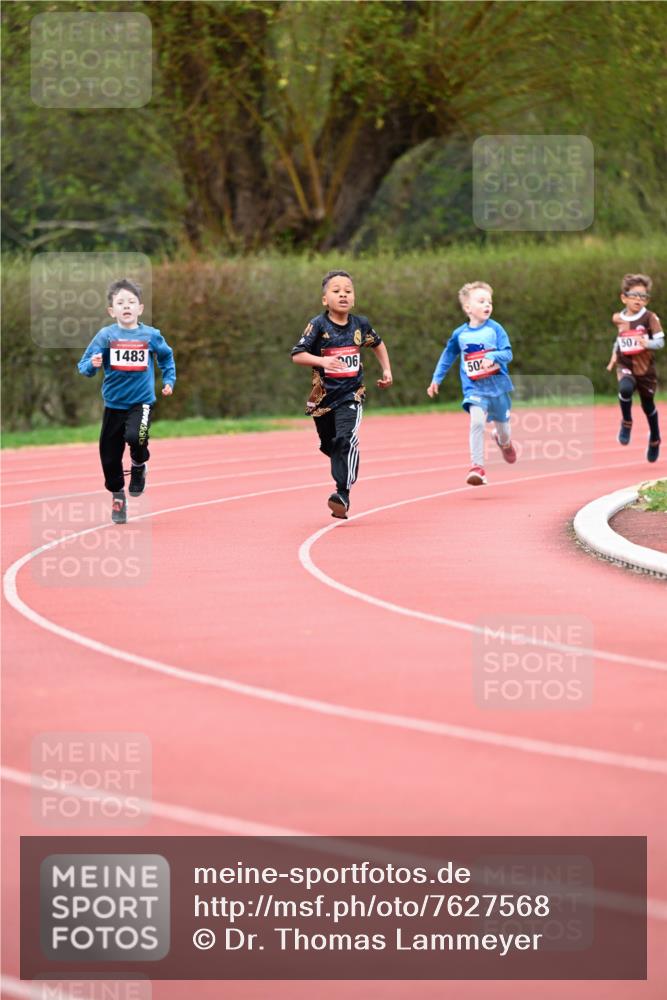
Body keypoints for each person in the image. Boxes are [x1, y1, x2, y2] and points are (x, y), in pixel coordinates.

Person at [290, 269, 393, 518]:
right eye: (336, 291)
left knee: (344, 440)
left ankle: (342, 494)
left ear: (354, 298)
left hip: (351, 395)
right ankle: (344, 459)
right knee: (330, 445)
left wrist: (387, 369)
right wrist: (322, 361)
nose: (343, 295)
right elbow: (297, 355)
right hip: (323, 400)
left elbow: (377, 344)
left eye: (348, 291)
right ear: (325, 299)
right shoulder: (318, 325)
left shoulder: (360, 324)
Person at [77, 278, 176, 523]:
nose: (126, 306)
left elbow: (166, 357)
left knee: (136, 437)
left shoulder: (151, 335)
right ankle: (118, 498)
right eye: (120, 303)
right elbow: (84, 366)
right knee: (109, 456)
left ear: (140, 308)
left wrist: (169, 380)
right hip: (114, 405)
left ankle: (138, 465)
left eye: (131, 302)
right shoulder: (105, 336)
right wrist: (93, 364)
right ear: (112, 311)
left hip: (141, 402)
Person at [427, 281, 516, 486]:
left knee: (504, 430)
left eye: (489, 302)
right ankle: (478, 468)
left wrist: (492, 356)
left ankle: (503, 441)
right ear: (468, 308)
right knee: (476, 423)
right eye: (481, 301)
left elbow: (508, 354)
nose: (487, 305)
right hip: (474, 388)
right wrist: (436, 378)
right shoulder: (460, 334)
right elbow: (448, 355)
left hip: (498, 388)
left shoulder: (495, 329)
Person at [605, 273, 663, 462]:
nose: (639, 299)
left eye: (643, 296)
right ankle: (627, 421)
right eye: (635, 295)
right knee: (625, 388)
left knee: (648, 406)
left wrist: (647, 343)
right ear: (624, 297)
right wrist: (614, 355)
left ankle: (655, 438)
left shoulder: (650, 318)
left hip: (645, 369)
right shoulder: (618, 318)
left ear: (647, 300)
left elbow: (660, 342)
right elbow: (620, 339)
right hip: (625, 363)